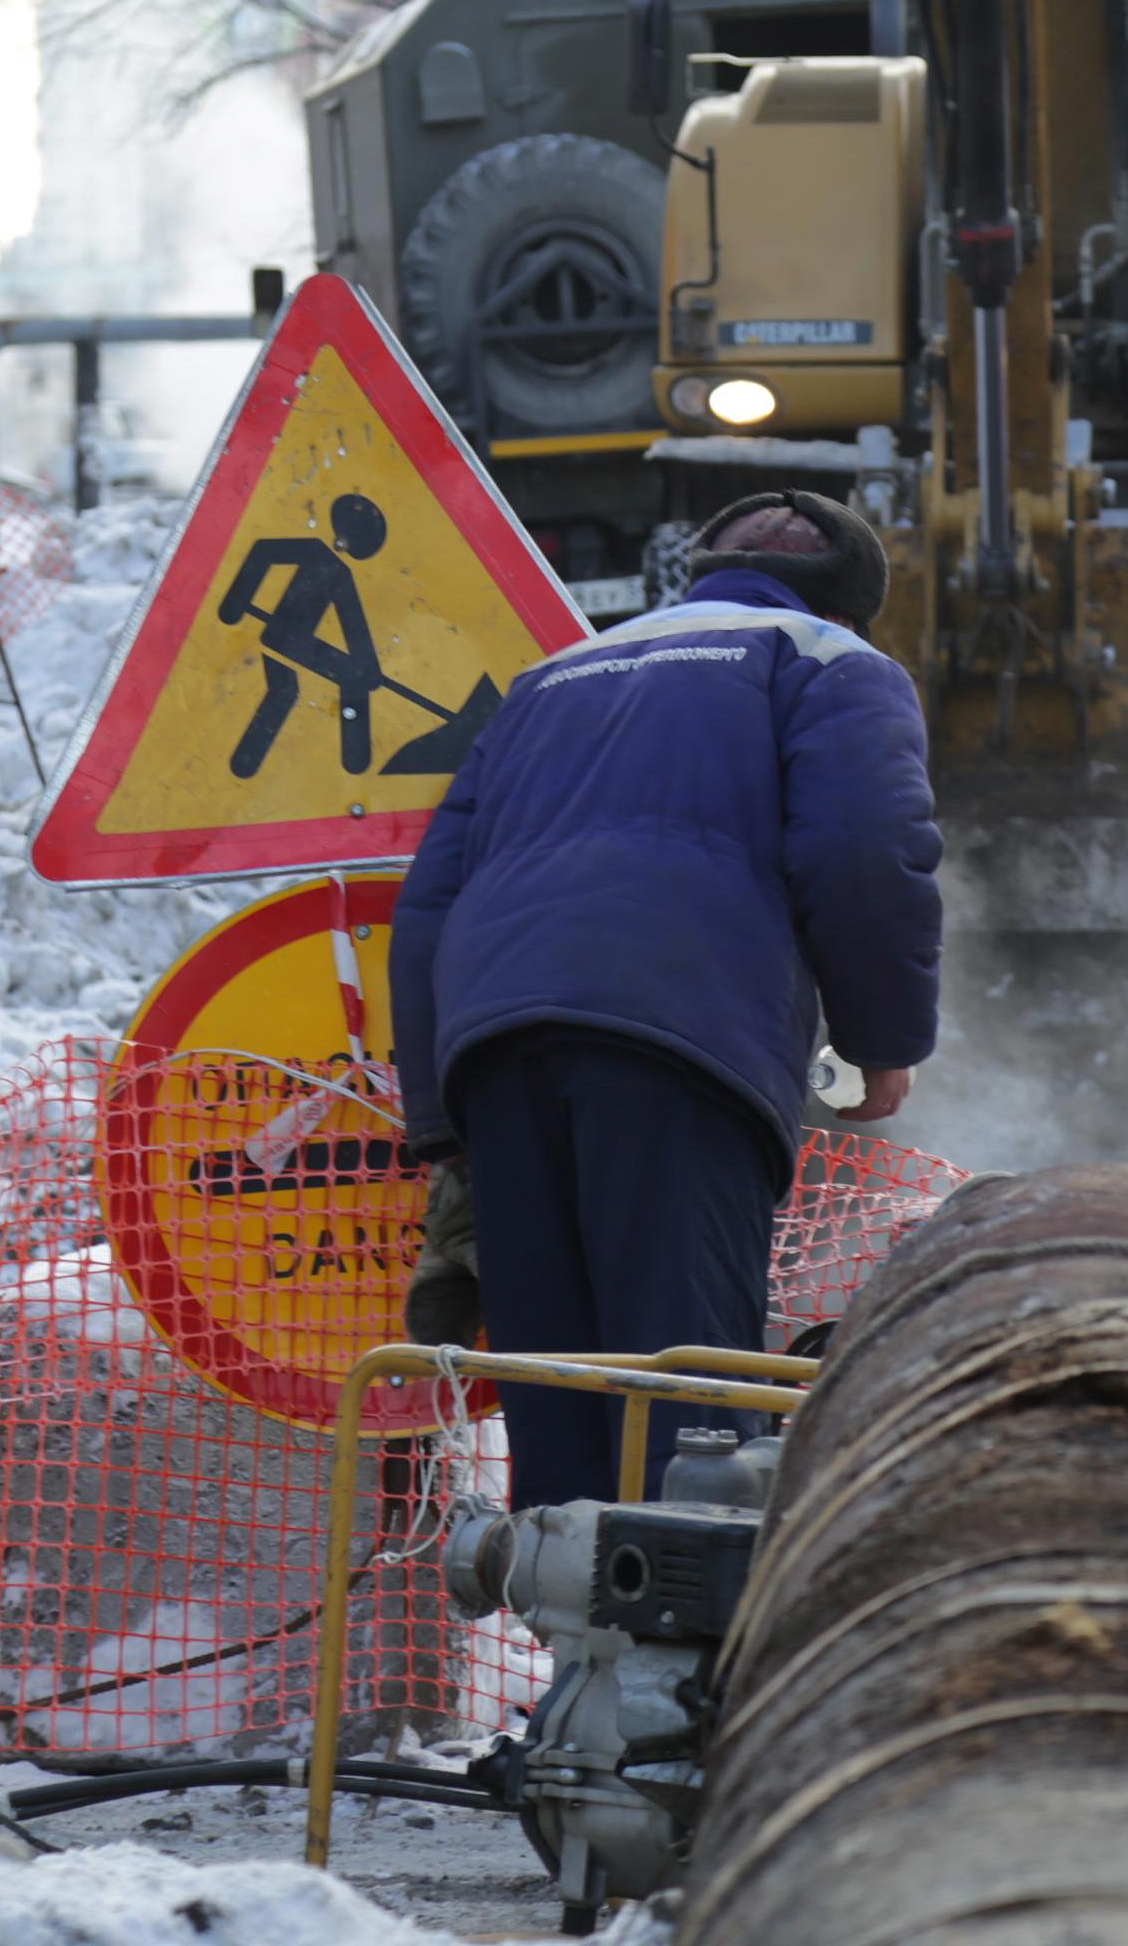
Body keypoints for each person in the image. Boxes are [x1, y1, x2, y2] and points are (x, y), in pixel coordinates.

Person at [389, 489, 942, 1509]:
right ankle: (673, 1656)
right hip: (679, 1042)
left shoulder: (546, 680)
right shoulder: (829, 661)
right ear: (851, 604)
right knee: (685, 1393)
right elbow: (866, 851)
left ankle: (573, 1645)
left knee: (551, 1387)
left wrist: (440, 1119)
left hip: (497, 1046)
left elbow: (427, 904)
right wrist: (881, 1039)